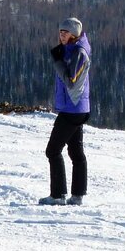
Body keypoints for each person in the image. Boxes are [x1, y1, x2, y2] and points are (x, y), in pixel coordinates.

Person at [38, 16, 92, 206]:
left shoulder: (79, 52)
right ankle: (77, 196)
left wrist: (57, 61)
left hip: (73, 110)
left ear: (74, 34)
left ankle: (58, 195)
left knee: (52, 151)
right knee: (76, 152)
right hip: (76, 108)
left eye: (65, 32)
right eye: (60, 32)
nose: (61, 35)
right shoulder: (71, 50)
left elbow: (71, 81)